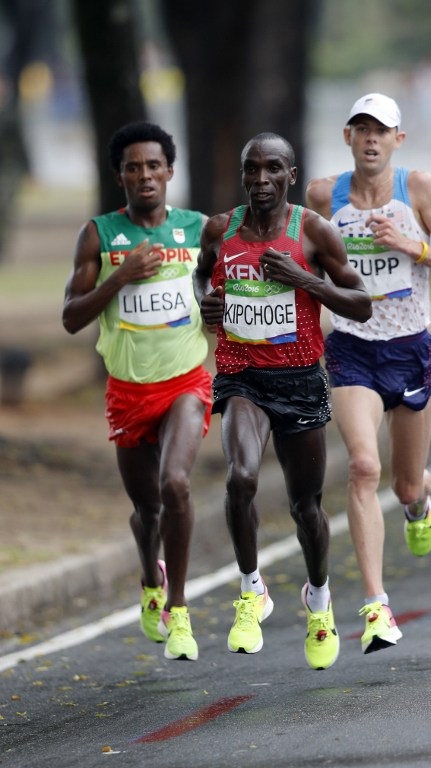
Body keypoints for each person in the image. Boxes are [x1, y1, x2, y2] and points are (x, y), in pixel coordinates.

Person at [193, 132, 371, 670]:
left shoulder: (313, 232)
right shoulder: (220, 230)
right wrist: (207, 302)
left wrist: (302, 280)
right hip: (241, 376)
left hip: (298, 380)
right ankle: (251, 591)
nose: (261, 180)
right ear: (242, 174)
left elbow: (360, 304)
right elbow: (204, 273)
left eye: (273, 169)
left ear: (291, 175)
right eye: (252, 169)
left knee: (305, 508)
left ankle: (319, 600)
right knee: (240, 477)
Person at [305, 93, 431, 655]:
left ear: (398, 140)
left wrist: (410, 245)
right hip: (352, 348)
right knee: (360, 466)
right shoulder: (323, 196)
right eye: (361, 128)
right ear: (347, 137)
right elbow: (305, 264)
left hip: (409, 349)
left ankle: (418, 502)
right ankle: (377, 607)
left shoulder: (417, 189)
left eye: (382, 130)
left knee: (403, 482)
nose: (371, 139)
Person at [62, 122, 213, 662]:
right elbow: (71, 319)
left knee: (176, 484)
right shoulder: (98, 236)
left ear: (170, 172)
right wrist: (119, 278)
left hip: (186, 383)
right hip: (128, 391)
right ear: (119, 175)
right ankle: (151, 577)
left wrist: (217, 312)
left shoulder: (196, 229)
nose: (144, 175)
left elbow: (221, 288)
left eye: (154, 165)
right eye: (133, 167)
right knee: (147, 511)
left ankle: (179, 611)